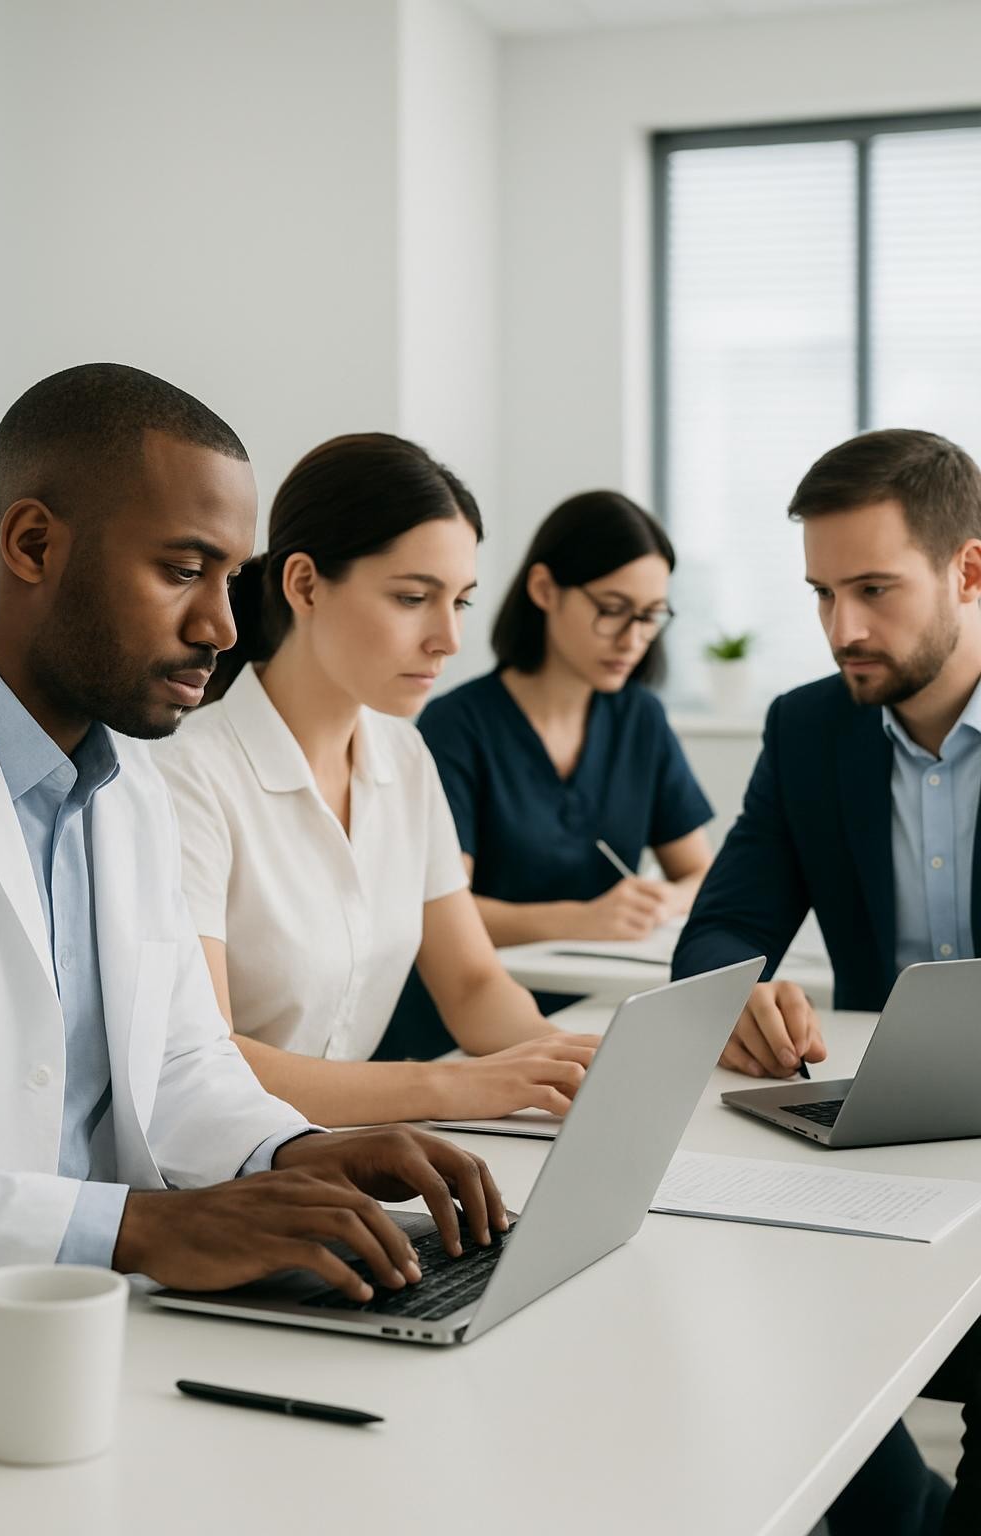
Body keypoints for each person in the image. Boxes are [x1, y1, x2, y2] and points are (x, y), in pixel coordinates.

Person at [0, 363, 506, 1301]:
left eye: (230, 577)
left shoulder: (127, 784)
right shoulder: (176, 772)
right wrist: (133, 1227)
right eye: (181, 571)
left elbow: (178, 1059)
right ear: (34, 543)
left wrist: (293, 1150)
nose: (220, 623)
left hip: (107, 1323)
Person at [672, 428, 981, 1534]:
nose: (842, 628)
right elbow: (720, 930)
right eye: (819, 594)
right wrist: (735, 995)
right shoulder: (808, 730)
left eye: (873, 589)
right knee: (719, 1315)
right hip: (878, 1149)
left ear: (969, 571)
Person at [154, 433, 598, 1129]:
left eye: (462, 603)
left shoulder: (406, 757)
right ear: (304, 584)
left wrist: (581, 1060)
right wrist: (457, 1087)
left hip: (342, 1161)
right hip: (214, 1178)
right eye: (413, 597)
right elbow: (209, 1059)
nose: (448, 639)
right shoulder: (188, 776)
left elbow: (474, 984)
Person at [380, 489, 713, 1061]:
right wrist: (583, 920)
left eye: (651, 616)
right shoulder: (457, 725)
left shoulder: (641, 719)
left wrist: (663, 902)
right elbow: (437, 911)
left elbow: (701, 874)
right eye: (612, 608)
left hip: (601, 1008)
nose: (633, 637)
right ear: (543, 590)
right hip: (457, 1036)